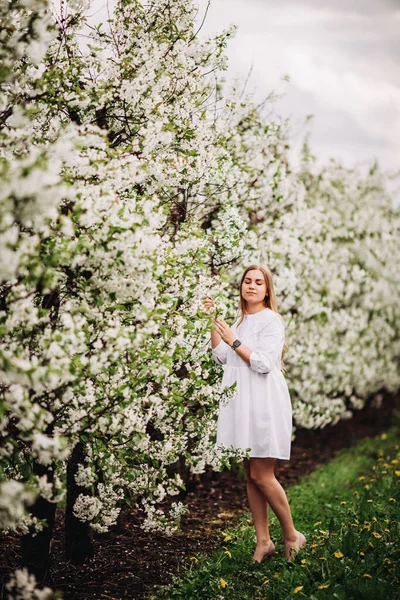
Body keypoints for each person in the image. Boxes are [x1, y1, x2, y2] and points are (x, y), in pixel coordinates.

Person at [204, 264, 306, 563]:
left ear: (266, 290)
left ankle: (291, 535)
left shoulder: (271, 320)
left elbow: (262, 362)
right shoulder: (241, 320)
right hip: (242, 401)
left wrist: (233, 338)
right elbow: (222, 357)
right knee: (251, 475)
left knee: (263, 475)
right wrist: (215, 323)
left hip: (263, 400)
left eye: (258, 282)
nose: (251, 286)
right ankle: (264, 542)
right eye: (247, 281)